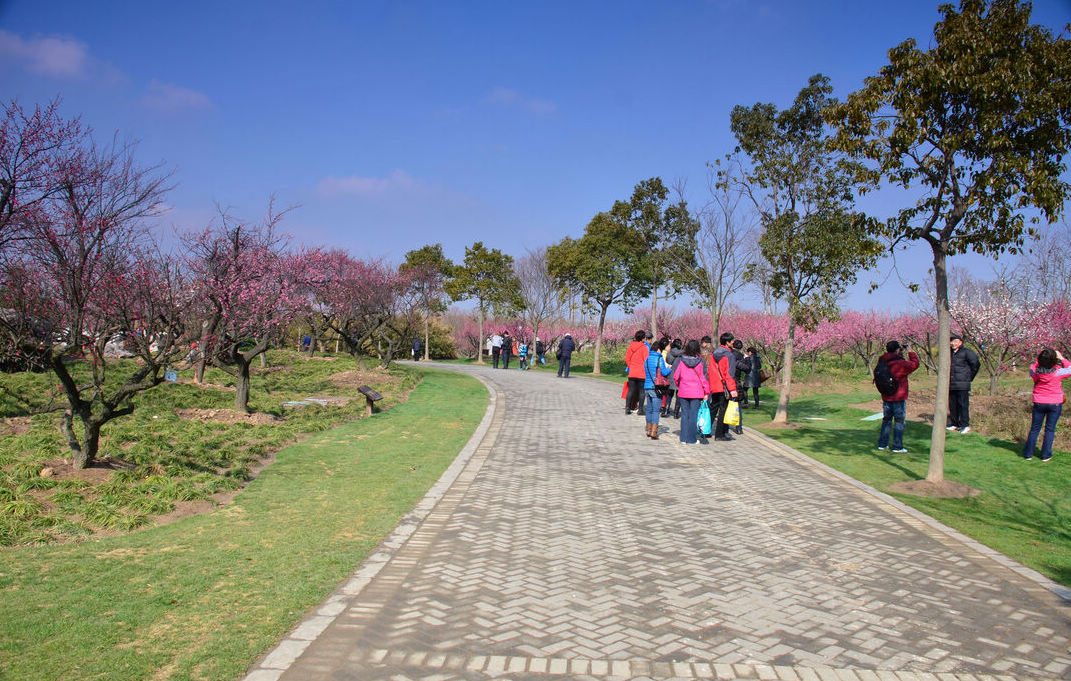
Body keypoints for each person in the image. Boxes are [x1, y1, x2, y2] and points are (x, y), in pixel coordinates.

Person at [1023, 347, 1071, 462]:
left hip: (1039, 402)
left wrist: (1040, 360)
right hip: (1055, 403)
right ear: (1054, 361)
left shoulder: (1035, 371)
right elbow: (1070, 369)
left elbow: (1032, 367)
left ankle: (1028, 453)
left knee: (1035, 428)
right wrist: (1062, 358)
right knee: (1050, 429)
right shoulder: (1058, 372)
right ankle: (1046, 455)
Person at [876, 340, 920, 453]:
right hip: (898, 396)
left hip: (886, 395)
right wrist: (910, 351)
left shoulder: (882, 359)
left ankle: (882, 444)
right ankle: (897, 446)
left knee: (886, 420)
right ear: (897, 350)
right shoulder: (899, 363)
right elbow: (915, 364)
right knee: (899, 421)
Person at [672, 339, 710, 445]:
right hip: (696, 392)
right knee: (693, 415)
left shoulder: (681, 360)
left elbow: (676, 376)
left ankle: (683, 438)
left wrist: (680, 385)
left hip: (684, 391)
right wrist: (706, 392)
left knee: (685, 415)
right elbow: (704, 378)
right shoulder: (700, 362)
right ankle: (691, 438)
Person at [708, 333, 739, 441]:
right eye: (732, 340)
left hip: (714, 384)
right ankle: (719, 434)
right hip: (724, 386)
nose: (733, 342)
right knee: (723, 410)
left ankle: (706, 431)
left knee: (713, 408)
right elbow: (729, 374)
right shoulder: (729, 355)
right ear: (727, 342)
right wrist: (733, 389)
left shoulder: (714, 353)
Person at [947, 333, 980, 434]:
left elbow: (976, 364)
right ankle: (954, 423)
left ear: (960, 342)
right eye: (952, 341)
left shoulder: (967, 352)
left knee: (963, 404)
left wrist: (969, 377)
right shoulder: (950, 353)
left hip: (962, 383)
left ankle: (965, 425)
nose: (953, 343)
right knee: (953, 404)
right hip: (952, 383)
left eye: (955, 341)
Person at [643, 338, 673, 439]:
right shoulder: (659, 359)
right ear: (659, 349)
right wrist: (669, 369)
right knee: (656, 411)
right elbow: (664, 372)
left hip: (647, 386)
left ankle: (648, 429)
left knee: (649, 410)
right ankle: (654, 432)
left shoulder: (647, 359)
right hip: (656, 387)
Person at [624, 330, 649, 415]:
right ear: (643, 338)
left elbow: (627, 358)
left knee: (631, 390)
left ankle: (627, 407)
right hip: (641, 373)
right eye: (645, 337)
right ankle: (640, 410)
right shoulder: (644, 348)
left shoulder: (631, 346)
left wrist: (631, 367)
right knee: (642, 391)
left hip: (632, 372)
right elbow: (646, 361)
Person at [730, 339, 751, 435]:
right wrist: (747, 359)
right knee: (737, 406)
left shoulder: (729, 354)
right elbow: (747, 369)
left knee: (724, 405)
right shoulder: (741, 357)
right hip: (736, 382)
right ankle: (739, 427)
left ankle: (724, 427)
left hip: (727, 381)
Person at [666, 338, 684, 418]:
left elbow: (668, 362)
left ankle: (666, 410)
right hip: (679, 376)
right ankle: (676, 413)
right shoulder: (682, 354)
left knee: (669, 393)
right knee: (678, 395)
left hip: (670, 375)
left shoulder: (669, 353)